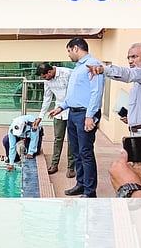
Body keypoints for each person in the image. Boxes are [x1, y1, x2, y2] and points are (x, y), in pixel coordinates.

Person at [49, 37, 104, 198]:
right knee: (77, 151)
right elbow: (73, 93)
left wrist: (90, 116)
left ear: (75, 48)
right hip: (73, 113)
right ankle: (80, 184)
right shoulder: (78, 68)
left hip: (85, 114)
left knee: (86, 152)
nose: (68, 55)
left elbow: (96, 92)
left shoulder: (93, 65)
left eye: (68, 51)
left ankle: (90, 191)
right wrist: (61, 107)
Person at [87, 43, 141, 136]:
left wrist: (103, 70)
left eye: (134, 57)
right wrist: (131, 117)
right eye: (129, 58)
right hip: (139, 131)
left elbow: (128, 73)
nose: (130, 61)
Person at [34, 62, 75, 178]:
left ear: (50, 71)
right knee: (58, 138)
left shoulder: (67, 74)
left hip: (72, 111)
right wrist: (40, 117)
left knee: (72, 140)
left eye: (45, 76)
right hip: (58, 112)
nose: (45, 79)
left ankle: (71, 167)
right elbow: (47, 98)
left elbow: (76, 92)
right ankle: (54, 164)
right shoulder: (47, 80)